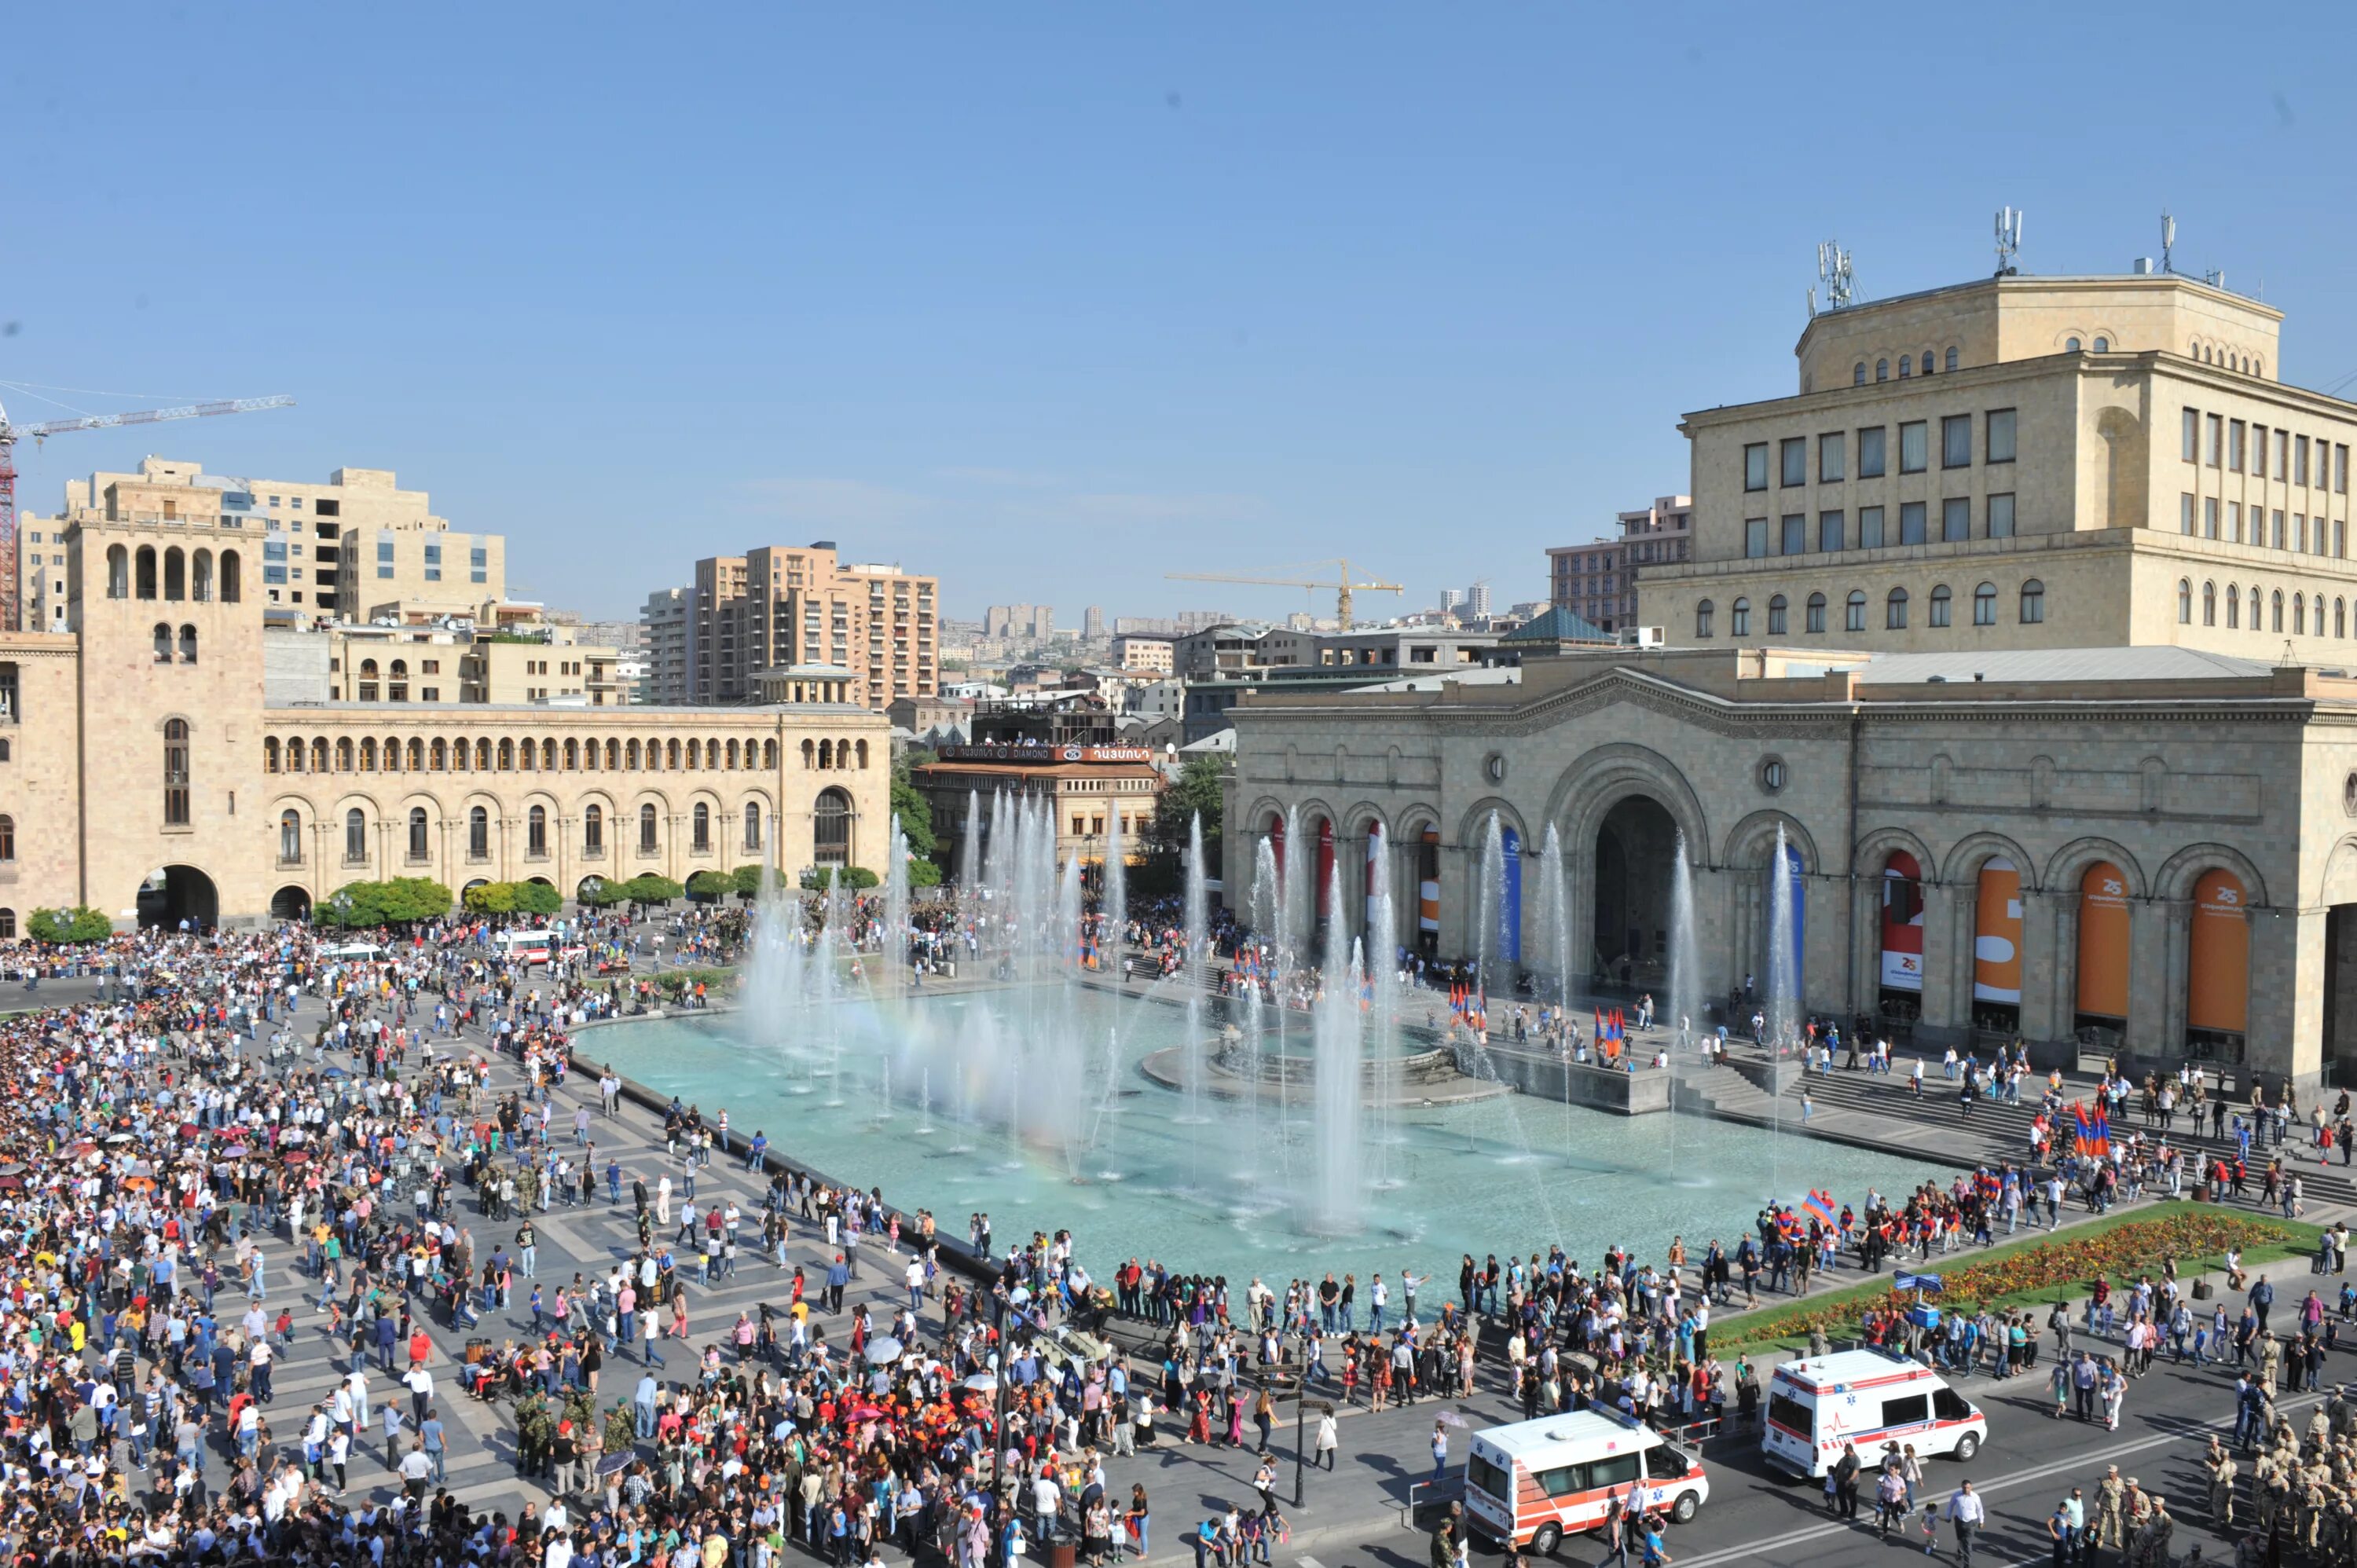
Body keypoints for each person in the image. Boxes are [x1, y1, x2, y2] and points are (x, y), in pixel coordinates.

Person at [1945, 1480, 1985, 1565]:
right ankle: (1960, 1553)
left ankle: (1967, 1565)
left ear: (1971, 1487)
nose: (1966, 1489)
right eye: (1964, 1488)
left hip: (1971, 1523)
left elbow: (1980, 1509)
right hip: (1959, 1521)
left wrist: (1981, 1521)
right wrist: (1948, 1517)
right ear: (1961, 1487)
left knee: (1967, 1544)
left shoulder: (1975, 1497)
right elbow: (1950, 1506)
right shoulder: (1956, 1495)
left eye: (1968, 1488)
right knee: (1960, 1539)